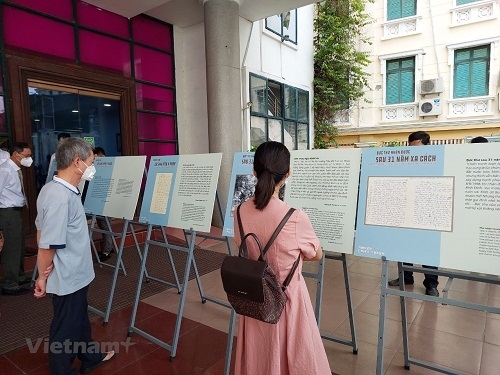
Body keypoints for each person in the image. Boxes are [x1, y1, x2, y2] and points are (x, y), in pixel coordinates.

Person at [233, 141, 331, 374]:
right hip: (287, 302)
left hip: (255, 300)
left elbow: (244, 247)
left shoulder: (238, 212)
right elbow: (316, 254)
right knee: (296, 358)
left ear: (254, 171)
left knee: (258, 357)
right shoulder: (295, 217)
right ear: (287, 174)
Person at [34, 138, 115, 374]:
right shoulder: (60, 197)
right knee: (65, 327)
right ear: (77, 162)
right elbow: (47, 244)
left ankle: (90, 356)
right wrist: (42, 276)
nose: (93, 167)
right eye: (91, 162)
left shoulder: (54, 188)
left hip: (75, 272)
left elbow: (40, 231)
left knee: (78, 317)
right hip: (68, 275)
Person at [388, 131, 439, 297]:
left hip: (427, 213)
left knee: (428, 250)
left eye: (417, 147)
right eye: (410, 148)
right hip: (406, 212)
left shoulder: (435, 164)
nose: (413, 152)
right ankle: (405, 277)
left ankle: (431, 284)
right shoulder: (405, 164)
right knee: (403, 246)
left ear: (426, 146)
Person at [0, 142, 33, 295]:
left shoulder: (16, 169)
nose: (29, 159)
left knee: (19, 246)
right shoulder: (4, 170)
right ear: (15, 154)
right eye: (26, 156)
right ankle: (9, 284)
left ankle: (19, 277)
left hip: (16, 211)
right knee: (11, 249)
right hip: (7, 213)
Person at [93, 147, 114, 262]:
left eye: (96, 158)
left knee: (106, 226)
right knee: (104, 225)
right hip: (97, 200)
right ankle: (109, 247)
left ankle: (106, 252)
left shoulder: (108, 168)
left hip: (105, 202)